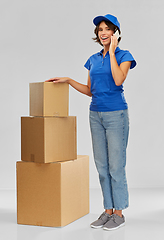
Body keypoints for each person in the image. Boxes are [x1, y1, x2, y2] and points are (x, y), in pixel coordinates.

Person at [45, 13, 136, 231]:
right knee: (102, 166)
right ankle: (107, 211)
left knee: (116, 166)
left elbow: (118, 79)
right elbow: (90, 90)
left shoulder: (124, 55)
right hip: (95, 114)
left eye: (107, 29)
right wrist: (68, 80)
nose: (103, 32)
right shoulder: (93, 60)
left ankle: (119, 213)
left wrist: (112, 52)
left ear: (115, 33)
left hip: (116, 115)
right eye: (100, 30)